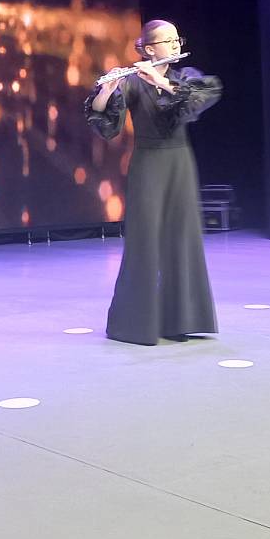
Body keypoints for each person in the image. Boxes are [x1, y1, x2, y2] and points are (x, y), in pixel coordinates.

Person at [84, 20, 222, 345]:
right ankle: (135, 324)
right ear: (148, 49)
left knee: (182, 238)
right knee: (144, 240)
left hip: (180, 163)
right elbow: (104, 120)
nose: (175, 46)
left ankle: (182, 320)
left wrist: (160, 80)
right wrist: (106, 90)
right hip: (148, 164)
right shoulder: (132, 81)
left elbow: (201, 98)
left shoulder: (185, 77)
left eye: (177, 40)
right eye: (167, 41)